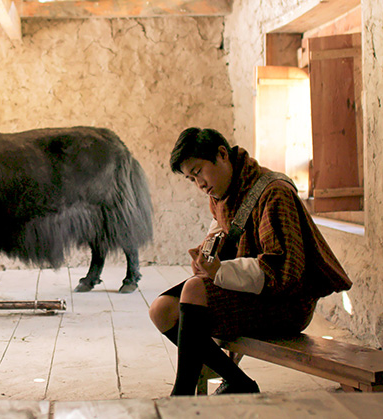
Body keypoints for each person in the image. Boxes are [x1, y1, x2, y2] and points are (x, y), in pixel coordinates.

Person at [150, 128, 352, 396]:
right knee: (161, 310)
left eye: (198, 172)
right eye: (191, 179)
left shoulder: (275, 193)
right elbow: (225, 225)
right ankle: (239, 382)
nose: (199, 184)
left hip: (287, 302)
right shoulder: (223, 191)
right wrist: (207, 254)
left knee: (195, 290)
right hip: (252, 292)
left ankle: (181, 398)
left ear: (222, 154)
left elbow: (282, 270)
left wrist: (220, 271)